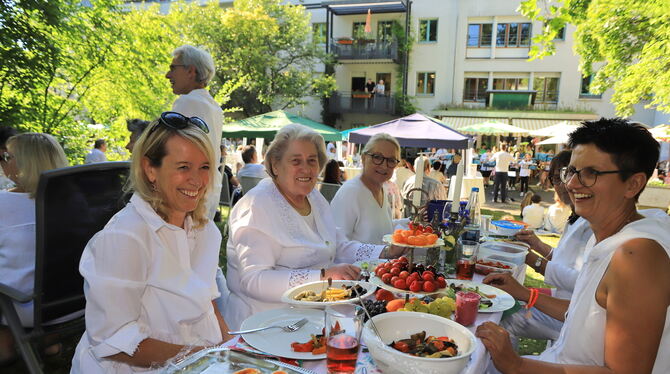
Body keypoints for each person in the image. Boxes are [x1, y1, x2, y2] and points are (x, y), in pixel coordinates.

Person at [477, 118, 670, 374]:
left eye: (592, 173)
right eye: (573, 171)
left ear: (633, 184)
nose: (571, 184)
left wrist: (517, 365)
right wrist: (525, 294)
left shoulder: (636, 255)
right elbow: (585, 314)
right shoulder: (605, 237)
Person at [71, 112, 232, 372]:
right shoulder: (125, 237)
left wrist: (233, 351)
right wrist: (206, 357)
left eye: (204, 167)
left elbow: (208, 304)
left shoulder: (205, 229)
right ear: (150, 170)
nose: (197, 179)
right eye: (183, 167)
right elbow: (115, 341)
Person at [224, 124, 403, 330]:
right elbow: (254, 280)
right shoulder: (257, 206)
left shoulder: (314, 198)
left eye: (312, 160)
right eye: (296, 161)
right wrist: (322, 276)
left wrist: (387, 251)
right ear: (275, 165)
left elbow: (338, 245)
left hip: (310, 321)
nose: (306, 169)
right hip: (263, 326)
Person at [504, 150, 593, 343]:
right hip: (565, 304)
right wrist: (536, 244)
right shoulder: (577, 216)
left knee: (501, 318)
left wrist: (531, 259)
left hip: (573, 315)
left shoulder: (594, 223)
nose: (564, 185)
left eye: (564, 176)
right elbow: (566, 260)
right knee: (503, 302)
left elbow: (582, 280)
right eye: (556, 178)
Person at [0, 133, 69, 363]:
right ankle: (51, 344)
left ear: (25, 163)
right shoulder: (74, 198)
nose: (3, 160)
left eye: (8, 156)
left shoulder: (3, 204)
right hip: (73, 301)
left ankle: (6, 346)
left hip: (23, 304)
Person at [166, 44, 223, 219]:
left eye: (172, 68)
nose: (168, 75)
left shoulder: (187, 102)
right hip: (206, 190)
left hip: (186, 191)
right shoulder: (213, 106)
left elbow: (168, 151)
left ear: (191, 71)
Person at [331, 133, 403, 244]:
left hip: (384, 262)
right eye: (377, 157)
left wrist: (414, 222)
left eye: (391, 160)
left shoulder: (382, 188)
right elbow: (336, 244)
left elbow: (382, 228)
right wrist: (382, 252)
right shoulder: (350, 192)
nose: (384, 166)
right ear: (364, 158)